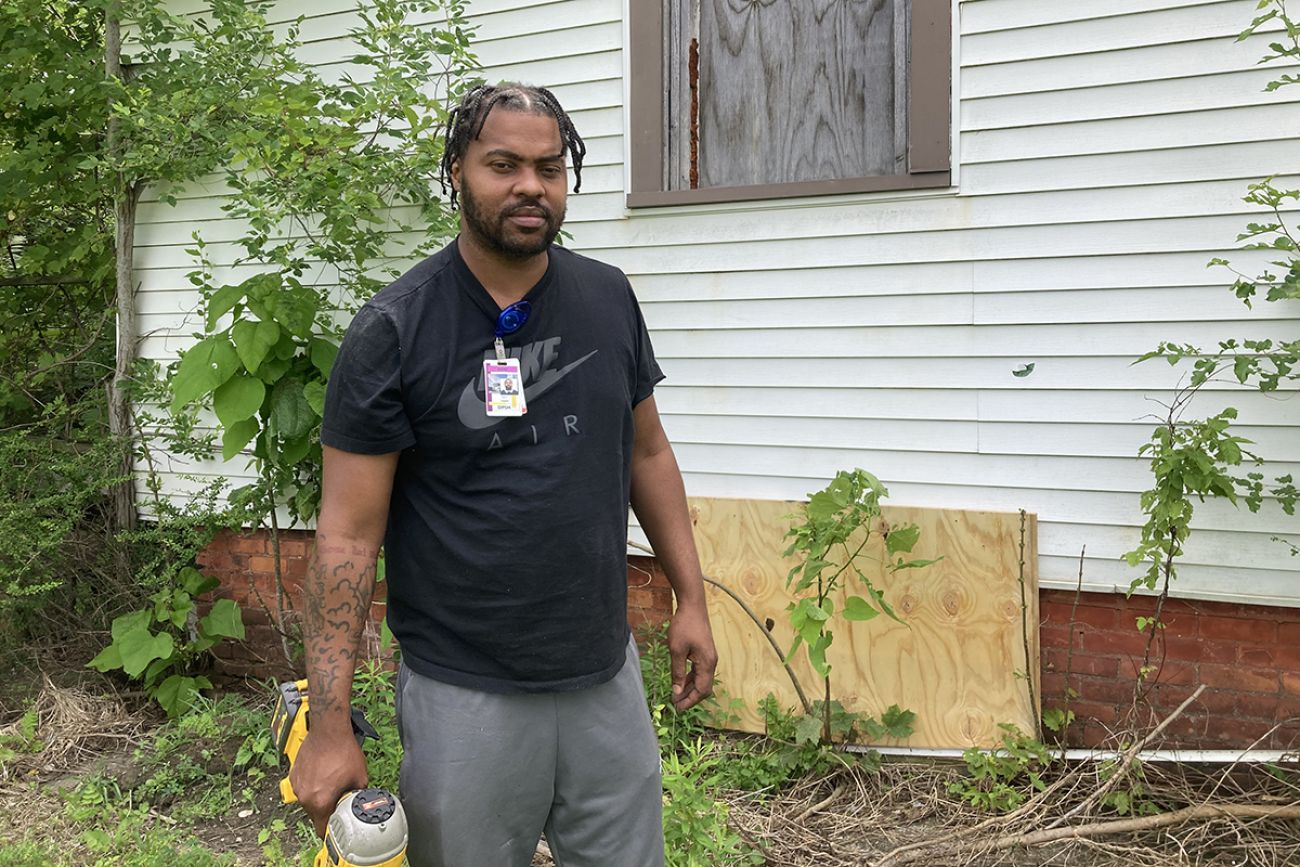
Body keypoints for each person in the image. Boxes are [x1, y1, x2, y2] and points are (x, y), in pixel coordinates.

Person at [288, 82, 718, 867]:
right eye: (504, 164)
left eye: (550, 167)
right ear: (456, 171)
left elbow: (646, 451)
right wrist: (327, 722)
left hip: (603, 674)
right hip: (464, 691)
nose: (531, 185)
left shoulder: (606, 297)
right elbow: (348, 534)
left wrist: (691, 596)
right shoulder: (396, 328)